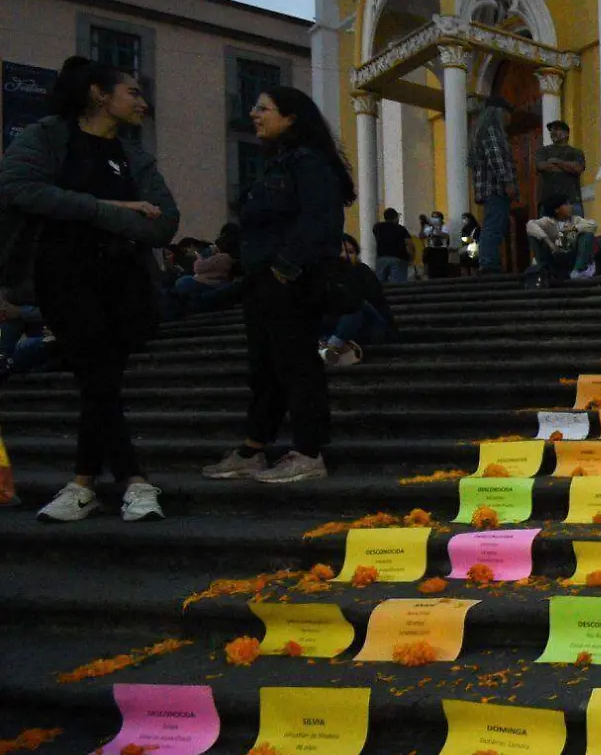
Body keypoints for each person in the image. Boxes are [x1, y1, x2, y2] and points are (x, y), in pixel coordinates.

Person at [0, 55, 179, 523]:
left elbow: (165, 223)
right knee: (97, 373)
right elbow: (20, 188)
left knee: (101, 382)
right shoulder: (47, 137)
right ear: (100, 95)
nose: (143, 102)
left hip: (125, 282)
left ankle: (83, 484)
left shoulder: (134, 157)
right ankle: (135, 480)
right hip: (62, 275)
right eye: (132, 93)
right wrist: (111, 208)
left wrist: (89, 209)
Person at [202, 85, 354, 484]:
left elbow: (319, 223)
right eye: (255, 106)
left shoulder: (308, 163)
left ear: (291, 118)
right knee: (265, 365)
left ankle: (308, 451)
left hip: (289, 279)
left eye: (264, 108)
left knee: (297, 364)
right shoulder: (279, 163)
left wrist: (283, 270)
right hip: (263, 279)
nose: (255, 114)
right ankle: (254, 448)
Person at [320, 235, 397, 367]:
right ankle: (337, 347)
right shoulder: (328, 275)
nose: (345, 256)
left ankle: (331, 347)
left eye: (350, 252)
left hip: (372, 325)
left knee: (357, 305)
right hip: (345, 328)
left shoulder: (363, 272)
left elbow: (372, 300)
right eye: (341, 252)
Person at [469, 95, 516, 273]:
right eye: (507, 114)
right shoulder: (492, 131)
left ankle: (489, 262)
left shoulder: (481, 131)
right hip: (495, 188)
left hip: (490, 189)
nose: (509, 119)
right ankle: (488, 264)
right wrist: (508, 181)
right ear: (499, 113)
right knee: (493, 227)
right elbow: (496, 159)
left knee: (494, 225)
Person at [525, 199, 598, 281]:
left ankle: (579, 270)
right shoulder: (547, 221)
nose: (571, 207)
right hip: (553, 258)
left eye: (570, 204)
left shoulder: (576, 220)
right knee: (534, 235)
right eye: (566, 205)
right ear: (557, 210)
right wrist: (549, 242)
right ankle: (544, 271)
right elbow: (530, 225)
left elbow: (593, 224)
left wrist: (571, 231)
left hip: (571, 258)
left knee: (587, 234)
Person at [533, 120, 586, 215]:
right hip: (548, 202)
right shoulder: (543, 151)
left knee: (574, 229)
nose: (553, 132)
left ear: (566, 133)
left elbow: (578, 168)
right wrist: (568, 167)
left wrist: (557, 162)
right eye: (551, 130)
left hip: (571, 201)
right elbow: (542, 166)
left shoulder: (576, 152)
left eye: (557, 129)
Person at [172, 237, 236, 313]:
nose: (187, 253)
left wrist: (197, 257)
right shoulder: (214, 255)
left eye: (186, 250)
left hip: (209, 283)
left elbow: (199, 267)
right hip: (208, 282)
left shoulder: (220, 256)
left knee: (183, 283)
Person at [370, 207, 411, 283]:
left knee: (380, 282)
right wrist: (411, 256)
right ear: (396, 217)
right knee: (398, 282)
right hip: (398, 257)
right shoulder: (401, 229)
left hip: (381, 257)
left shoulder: (377, 227)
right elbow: (409, 243)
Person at [420, 211, 452, 280]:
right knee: (432, 270)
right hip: (432, 250)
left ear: (441, 218)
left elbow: (445, 235)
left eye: (436, 217)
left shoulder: (445, 227)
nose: (434, 219)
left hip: (442, 250)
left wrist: (435, 229)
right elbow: (422, 236)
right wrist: (423, 225)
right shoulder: (429, 228)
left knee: (442, 270)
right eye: (433, 217)